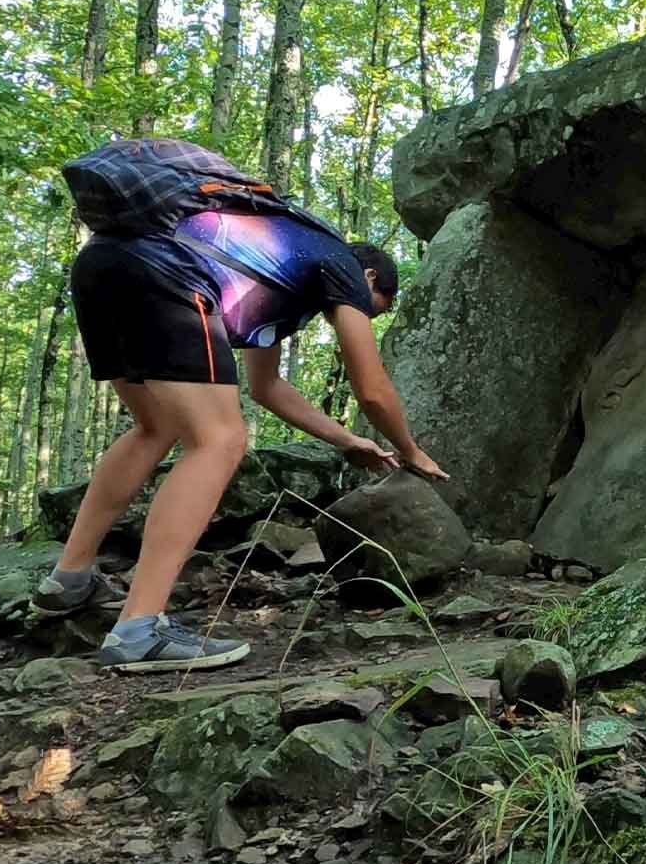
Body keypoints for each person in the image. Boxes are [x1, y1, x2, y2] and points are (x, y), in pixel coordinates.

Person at [33, 140, 447, 674]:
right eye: (374, 308)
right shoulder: (340, 262)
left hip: (103, 265)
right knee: (220, 440)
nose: (359, 315)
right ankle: (138, 629)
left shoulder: (276, 264)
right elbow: (371, 387)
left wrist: (347, 440)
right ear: (370, 280)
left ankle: (69, 579)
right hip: (169, 277)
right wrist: (410, 450)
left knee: (153, 427)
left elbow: (267, 386)